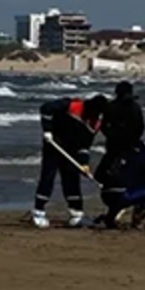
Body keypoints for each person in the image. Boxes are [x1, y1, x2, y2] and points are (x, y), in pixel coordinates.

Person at [32, 94, 107, 229]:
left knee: (72, 180)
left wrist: (83, 163)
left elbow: (84, 145)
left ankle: (76, 214)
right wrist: (47, 130)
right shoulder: (71, 105)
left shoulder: (94, 123)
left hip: (71, 151)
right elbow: (46, 108)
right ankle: (39, 212)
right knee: (48, 177)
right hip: (54, 146)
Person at [94, 81, 145, 228]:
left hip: (114, 146)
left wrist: (111, 136)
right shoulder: (134, 108)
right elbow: (140, 128)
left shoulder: (111, 107)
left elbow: (104, 127)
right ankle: (137, 214)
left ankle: (113, 212)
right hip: (130, 146)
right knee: (141, 181)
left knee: (114, 175)